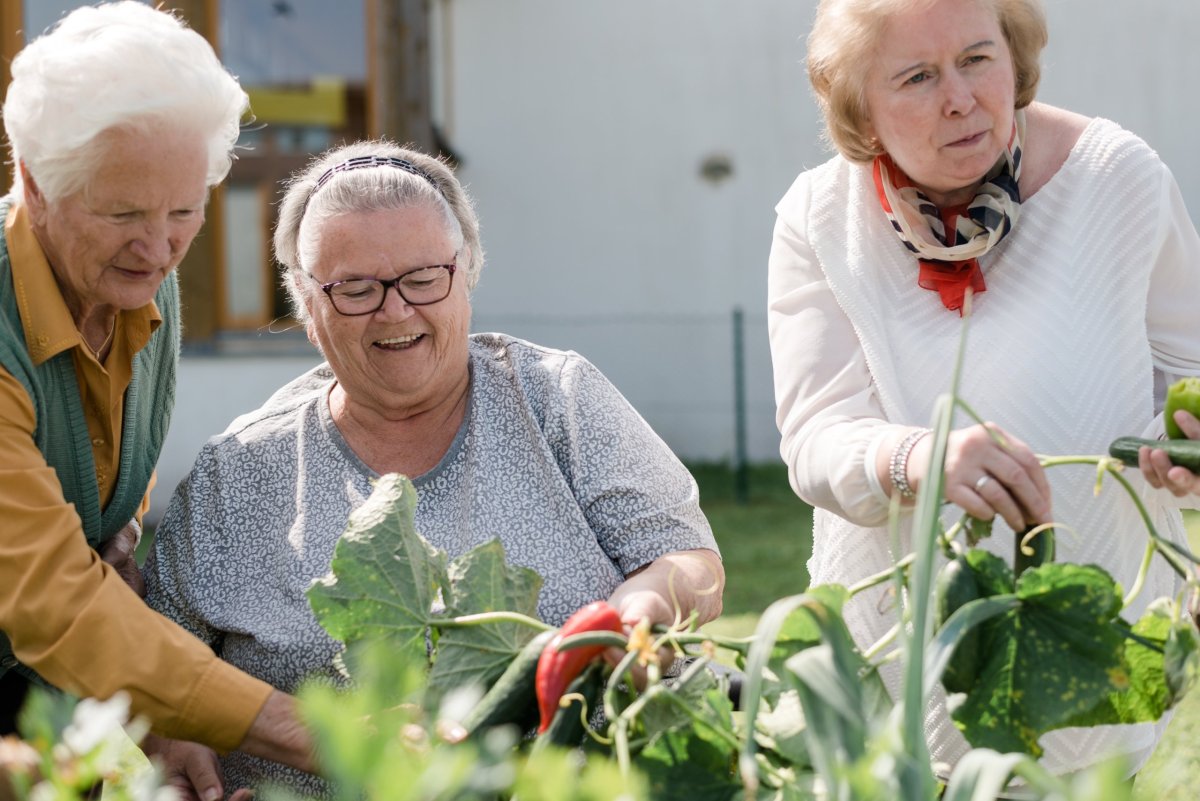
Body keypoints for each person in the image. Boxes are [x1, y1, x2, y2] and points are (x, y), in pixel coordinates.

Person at [143, 139, 726, 793]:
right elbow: (155, 654)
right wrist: (173, 731)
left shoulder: (558, 399)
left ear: (467, 269)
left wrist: (636, 613)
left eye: (423, 278)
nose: (396, 311)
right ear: (307, 306)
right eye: (355, 289)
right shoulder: (241, 469)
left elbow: (688, 560)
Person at [768, 0, 1200, 779]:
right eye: (917, 76)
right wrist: (915, 458)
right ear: (858, 103)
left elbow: (1190, 381)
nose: (960, 97)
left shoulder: (1119, 178)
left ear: (1015, 51)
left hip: (1089, 646)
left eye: (976, 58)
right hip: (903, 654)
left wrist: (1188, 450)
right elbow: (814, 437)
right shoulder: (818, 217)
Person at [0, 1, 313, 793]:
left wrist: (158, 697)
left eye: (184, 210)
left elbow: (110, 492)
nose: (158, 246)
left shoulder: (138, 279)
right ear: (34, 183)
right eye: (123, 213)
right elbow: (55, 600)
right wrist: (297, 727)